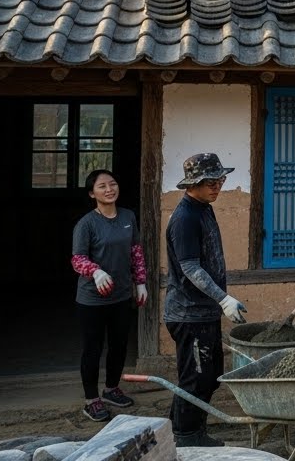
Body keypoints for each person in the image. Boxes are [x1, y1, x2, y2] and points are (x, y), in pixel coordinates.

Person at [164, 153, 245, 448]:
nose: (217, 187)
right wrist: (223, 299)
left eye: (220, 180)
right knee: (195, 378)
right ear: (193, 184)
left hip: (205, 312)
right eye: (211, 182)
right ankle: (186, 438)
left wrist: (219, 302)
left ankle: (184, 427)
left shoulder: (203, 209)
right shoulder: (185, 218)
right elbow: (190, 267)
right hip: (188, 313)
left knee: (210, 377)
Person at [70, 169, 148, 422]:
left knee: (119, 345)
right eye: (102, 186)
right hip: (92, 299)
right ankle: (91, 400)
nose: (109, 189)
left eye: (112, 184)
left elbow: (135, 251)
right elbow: (77, 259)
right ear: (92, 194)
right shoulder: (86, 224)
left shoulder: (128, 216)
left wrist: (140, 283)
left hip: (121, 295)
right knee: (92, 348)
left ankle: (111, 389)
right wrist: (95, 271)